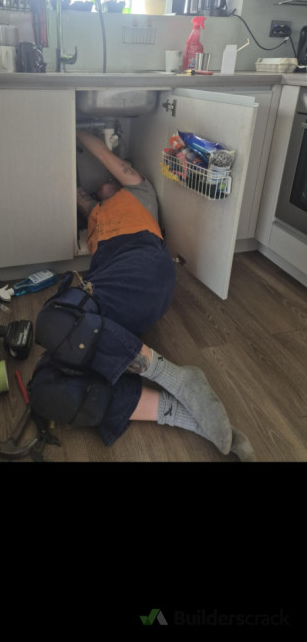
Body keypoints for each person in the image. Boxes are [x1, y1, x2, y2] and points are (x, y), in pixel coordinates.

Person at [29, 129, 256, 462]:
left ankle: (175, 378)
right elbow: (71, 190)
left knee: (55, 319)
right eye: (99, 185)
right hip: (106, 290)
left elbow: (105, 156)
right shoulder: (95, 212)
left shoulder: (139, 191)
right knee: (46, 389)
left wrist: (73, 129)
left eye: (112, 178)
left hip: (144, 265)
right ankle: (187, 417)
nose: (105, 181)